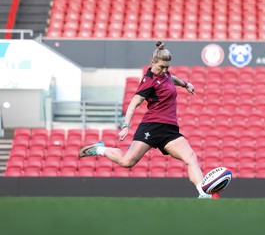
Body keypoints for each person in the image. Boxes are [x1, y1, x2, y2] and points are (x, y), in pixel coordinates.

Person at [79, 41, 212, 199]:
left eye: (166, 67)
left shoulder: (166, 74)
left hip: (170, 130)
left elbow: (172, 78)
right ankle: (99, 149)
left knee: (190, 157)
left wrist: (185, 84)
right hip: (151, 127)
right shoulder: (148, 81)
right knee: (127, 162)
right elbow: (133, 105)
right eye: (161, 67)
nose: (164, 70)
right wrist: (126, 126)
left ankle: (203, 194)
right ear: (153, 63)